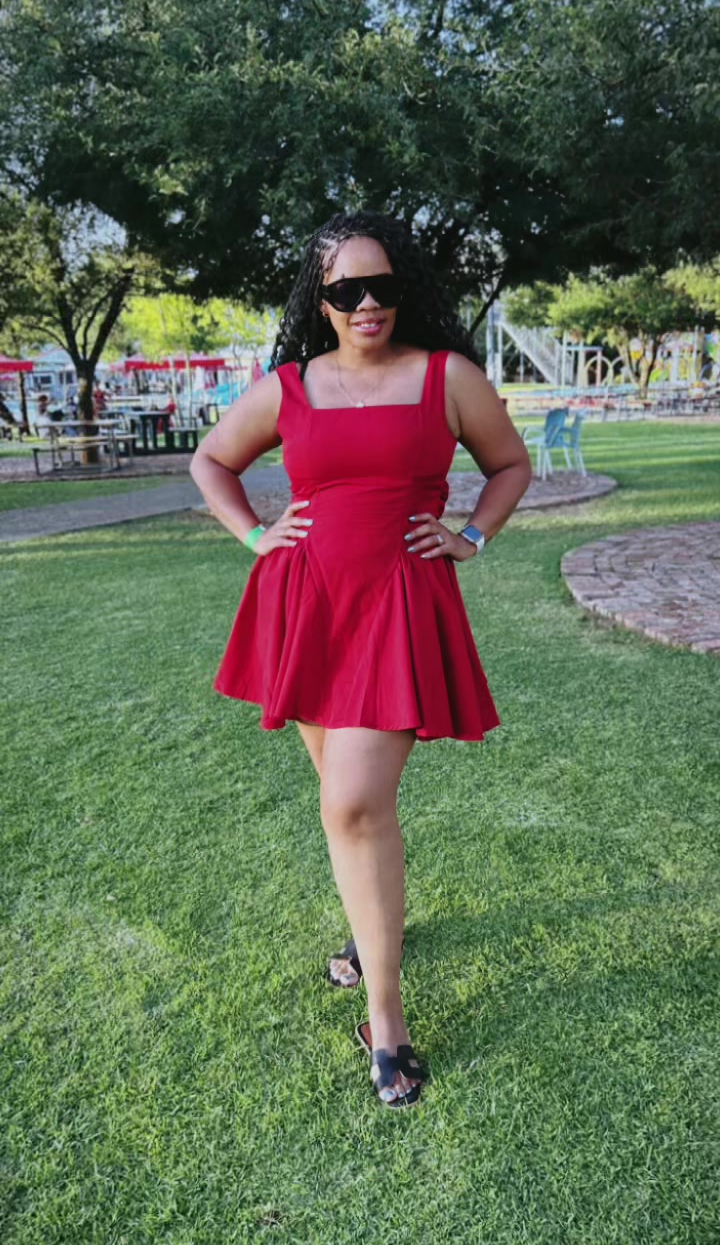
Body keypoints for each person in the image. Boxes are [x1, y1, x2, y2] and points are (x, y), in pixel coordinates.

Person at [190, 210, 531, 1110]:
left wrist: (471, 537)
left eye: (382, 285)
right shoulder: (290, 386)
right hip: (307, 607)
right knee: (349, 807)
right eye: (347, 290)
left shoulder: (446, 377)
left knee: (353, 802)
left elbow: (510, 465)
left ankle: (385, 1019)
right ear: (323, 300)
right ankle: (366, 932)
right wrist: (256, 534)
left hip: (399, 609)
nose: (367, 303)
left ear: (402, 289)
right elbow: (213, 461)